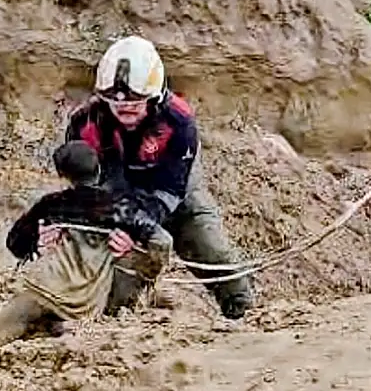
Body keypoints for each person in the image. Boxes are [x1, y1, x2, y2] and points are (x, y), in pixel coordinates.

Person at [60, 35, 253, 320]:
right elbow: (83, 188)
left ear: (155, 95)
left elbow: (171, 190)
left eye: (136, 99)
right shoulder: (84, 125)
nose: (125, 106)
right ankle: (109, 318)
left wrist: (139, 225)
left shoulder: (178, 121)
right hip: (117, 197)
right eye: (114, 99)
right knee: (122, 254)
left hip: (177, 192)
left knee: (214, 251)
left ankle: (245, 316)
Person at [0, 140, 174, 346]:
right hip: (87, 304)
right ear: (99, 169)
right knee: (131, 259)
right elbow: (162, 241)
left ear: (63, 175)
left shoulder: (51, 204)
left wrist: (37, 243)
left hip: (42, 290)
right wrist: (147, 272)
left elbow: (15, 243)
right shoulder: (121, 208)